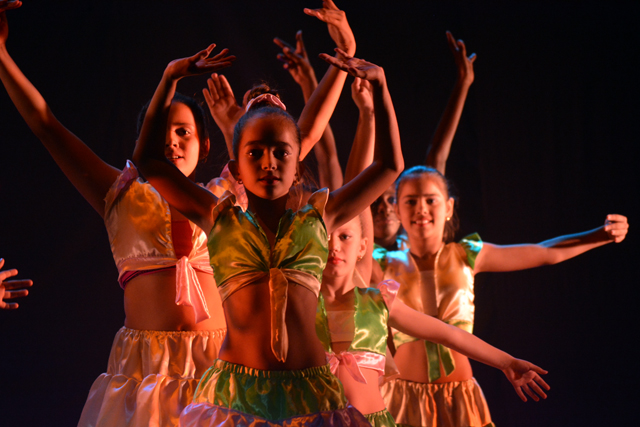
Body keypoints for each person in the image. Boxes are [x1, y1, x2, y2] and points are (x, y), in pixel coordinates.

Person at [132, 3, 403, 416]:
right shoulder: (218, 217)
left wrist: (380, 90)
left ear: (297, 164)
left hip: (311, 394)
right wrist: (170, 77)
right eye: (254, 153)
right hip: (238, 396)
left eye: (280, 152)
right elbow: (148, 163)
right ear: (236, 165)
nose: (268, 162)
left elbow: (389, 167)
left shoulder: (320, 218)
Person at [0, 3, 234, 425]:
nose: (173, 141)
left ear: (203, 143)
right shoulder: (121, 195)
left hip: (219, 366)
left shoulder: (226, 199)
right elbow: (45, 123)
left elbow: (293, 150)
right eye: (161, 130)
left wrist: (236, 126)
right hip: (146, 375)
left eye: (184, 131)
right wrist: (0, 56)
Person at [376, 165, 629, 427]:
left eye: (431, 200)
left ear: (449, 207)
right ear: (396, 208)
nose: (421, 209)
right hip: (402, 401)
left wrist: (600, 235)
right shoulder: (381, 264)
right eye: (410, 201)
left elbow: (545, 252)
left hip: (459, 399)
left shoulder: (468, 255)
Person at [318, 212, 549, 427]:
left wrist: (506, 362)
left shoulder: (378, 302)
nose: (333, 246)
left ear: (362, 247)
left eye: (344, 236)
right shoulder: (301, 304)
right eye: (324, 237)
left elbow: (448, 334)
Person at [372, 31, 476, 255]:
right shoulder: (360, 252)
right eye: (374, 203)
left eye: (392, 199)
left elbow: (437, 155)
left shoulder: (413, 242)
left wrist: (463, 83)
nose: (384, 208)